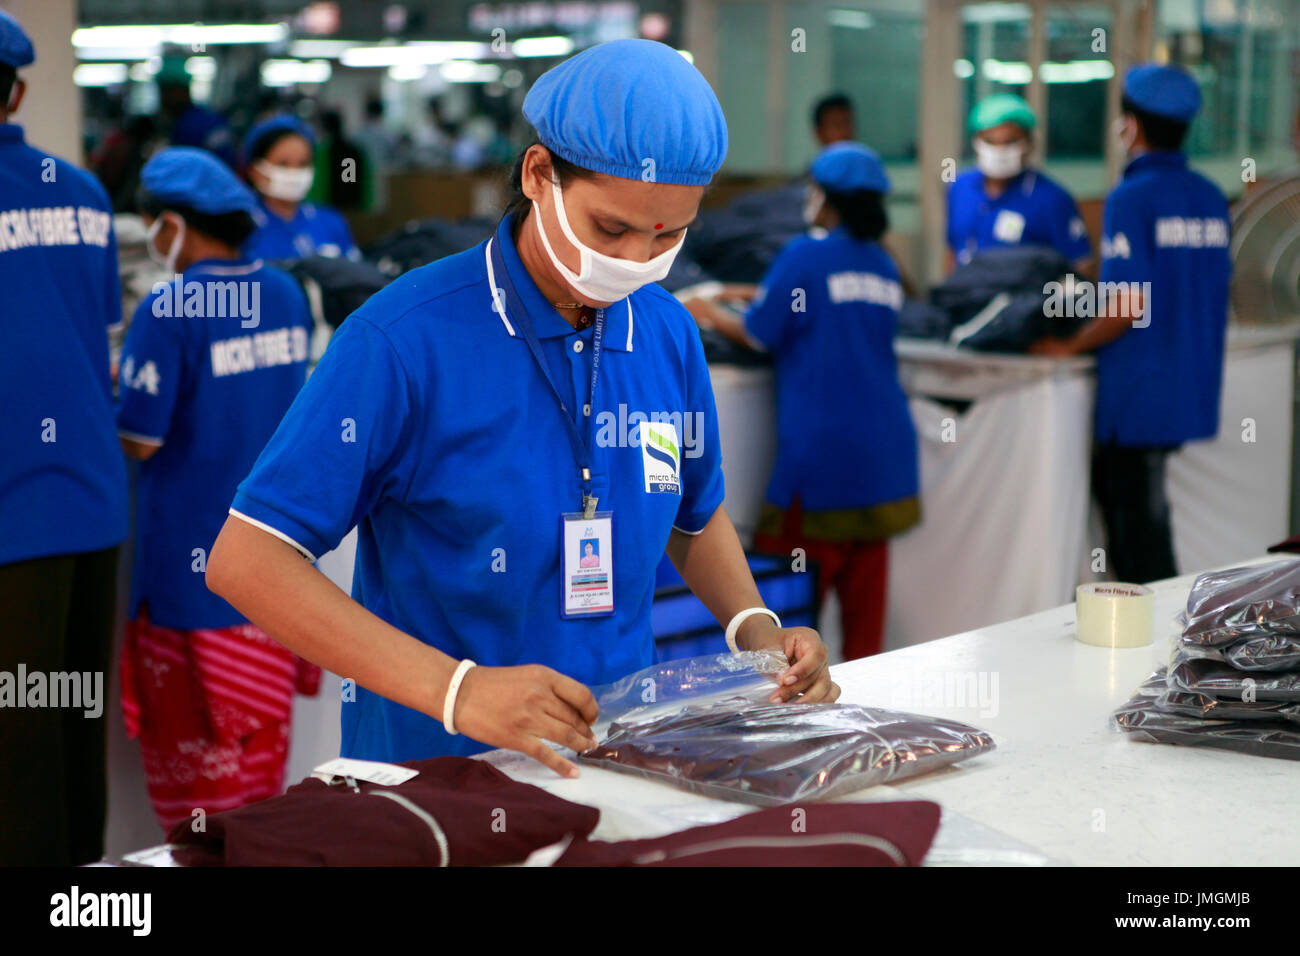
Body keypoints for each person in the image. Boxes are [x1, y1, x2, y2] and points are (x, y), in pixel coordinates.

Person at [206, 39, 837, 778]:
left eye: (668, 234)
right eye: (612, 229)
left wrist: (755, 631)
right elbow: (248, 561)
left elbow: (693, 517)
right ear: (540, 176)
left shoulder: (663, 331)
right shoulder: (404, 339)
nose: (637, 258)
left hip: (617, 761)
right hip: (435, 775)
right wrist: (457, 691)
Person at [116, 147, 318, 830]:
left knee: (198, 795)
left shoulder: (170, 307)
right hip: (276, 581)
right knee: (262, 785)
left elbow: (142, 439)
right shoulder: (288, 292)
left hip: (190, 586)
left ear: (172, 224)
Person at [687, 143, 920, 660]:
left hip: (821, 463)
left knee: (790, 618)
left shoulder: (805, 255)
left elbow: (760, 332)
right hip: (883, 460)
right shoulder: (882, 264)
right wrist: (753, 291)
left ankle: (789, 714)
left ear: (827, 199)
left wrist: (706, 309)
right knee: (865, 624)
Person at [0, 10, 129, 865]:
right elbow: (97, 332)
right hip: (92, 496)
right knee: (75, 717)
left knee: (16, 746)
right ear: (17, 90)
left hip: (15, 512)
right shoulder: (81, 191)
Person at [1029, 64, 1231, 584]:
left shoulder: (1131, 197)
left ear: (1132, 127)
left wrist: (1068, 347)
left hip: (1138, 393)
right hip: (1188, 388)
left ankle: (1168, 645)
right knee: (1148, 518)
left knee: (1138, 536)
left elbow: (1125, 306)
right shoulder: (1210, 196)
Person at [946, 93, 1092, 274]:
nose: (999, 151)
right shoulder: (960, 188)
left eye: (1010, 142)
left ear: (1029, 144)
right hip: (964, 296)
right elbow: (953, 252)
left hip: (1025, 299)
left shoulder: (1052, 198)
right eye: (990, 141)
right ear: (976, 142)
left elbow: (1081, 264)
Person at [242, 113, 357, 261]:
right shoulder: (243, 226)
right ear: (256, 171)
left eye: (303, 164)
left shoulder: (330, 221)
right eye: (283, 164)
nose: (294, 172)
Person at [156, 56, 236, 168]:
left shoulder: (189, 126)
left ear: (180, 91)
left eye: (166, 92)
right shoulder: (210, 117)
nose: (163, 99)